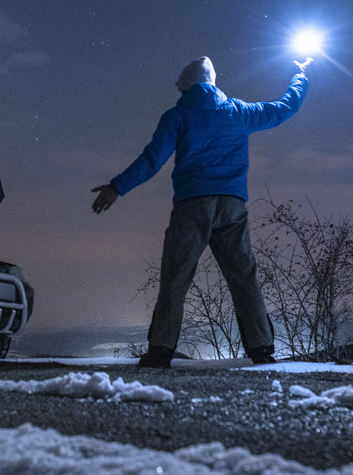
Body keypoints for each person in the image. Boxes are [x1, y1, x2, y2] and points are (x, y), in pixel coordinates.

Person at [92, 56, 311, 368]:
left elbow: (152, 160)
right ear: (212, 80)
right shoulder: (239, 111)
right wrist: (301, 75)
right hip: (232, 206)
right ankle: (262, 349)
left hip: (192, 206)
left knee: (176, 279)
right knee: (244, 279)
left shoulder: (177, 116)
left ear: (186, 86)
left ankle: (160, 352)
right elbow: (285, 108)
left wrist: (117, 187)